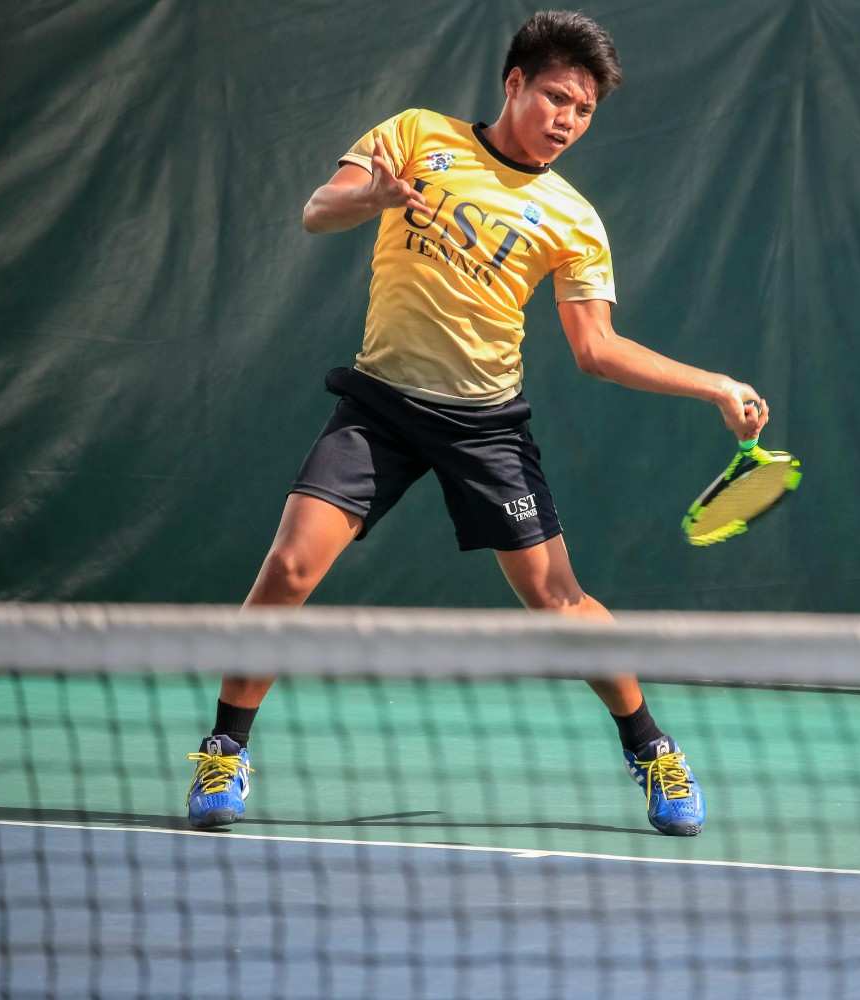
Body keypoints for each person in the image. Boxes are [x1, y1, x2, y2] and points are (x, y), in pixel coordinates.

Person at [184, 10, 768, 837]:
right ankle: (224, 748)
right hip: (380, 406)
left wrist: (714, 385)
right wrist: (373, 196)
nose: (568, 120)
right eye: (557, 98)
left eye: (584, 110)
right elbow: (319, 210)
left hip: (485, 426)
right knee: (286, 568)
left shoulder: (573, 219)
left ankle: (652, 748)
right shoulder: (417, 135)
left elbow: (596, 349)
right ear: (514, 83)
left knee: (558, 602)